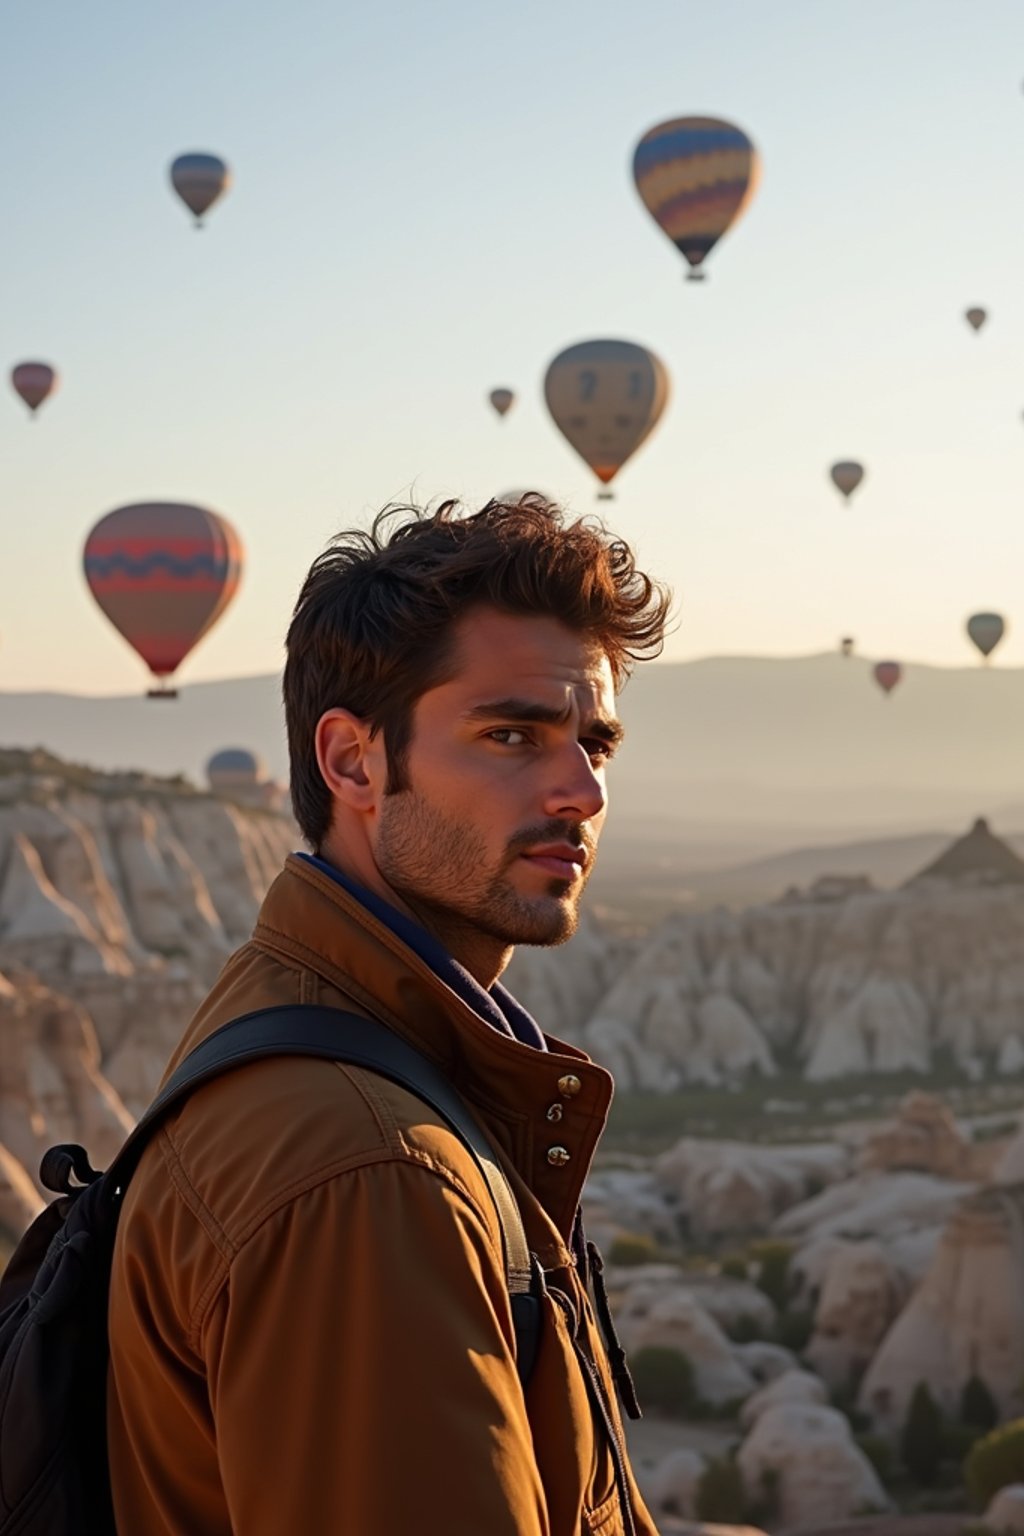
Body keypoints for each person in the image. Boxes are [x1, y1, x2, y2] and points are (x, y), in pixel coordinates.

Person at [107, 495, 671, 1535]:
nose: (583, 789)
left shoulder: (326, 1037)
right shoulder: (369, 1173)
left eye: (596, 742)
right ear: (353, 762)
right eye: (513, 735)